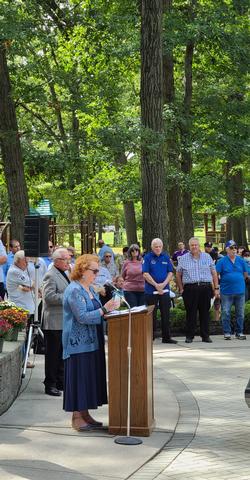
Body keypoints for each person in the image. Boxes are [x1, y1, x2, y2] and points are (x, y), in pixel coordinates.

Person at [62, 254, 119, 431]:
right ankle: (77, 417)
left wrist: (111, 310)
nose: (97, 273)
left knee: (88, 378)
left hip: (93, 341)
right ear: (82, 270)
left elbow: (98, 312)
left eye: (98, 270)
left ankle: (85, 414)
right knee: (80, 378)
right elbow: (82, 317)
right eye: (94, 270)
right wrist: (104, 309)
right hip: (78, 343)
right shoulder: (74, 290)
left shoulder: (90, 289)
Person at [176, 237, 219, 343]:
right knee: (191, 313)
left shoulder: (207, 257)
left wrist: (216, 288)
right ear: (189, 246)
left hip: (205, 288)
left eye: (196, 244)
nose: (194, 247)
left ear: (199, 245)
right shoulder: (183, 258)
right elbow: (178, 274)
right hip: (190, 289)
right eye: (192, 245)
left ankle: (205, 336)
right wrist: (181, 288)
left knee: (205, 312)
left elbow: (214, 272)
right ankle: (189, 336)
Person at [42, 248, 71, 396]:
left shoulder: (64, 273)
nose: (69, 261)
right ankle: (50, 384)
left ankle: (60, 382)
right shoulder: (50, 275)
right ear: (57, 260)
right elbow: (49, 297)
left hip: (63, 321)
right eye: (66, 259)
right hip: (53, 322)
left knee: (61, 354)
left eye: (69, 258)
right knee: (53, 355)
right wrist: (68, 296)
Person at [142, 238, 177, 344]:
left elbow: (170, 272)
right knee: (151, 315)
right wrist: (156, 285)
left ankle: (166, 337)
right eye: (155, 247)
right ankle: (150, 337)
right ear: (152, 247)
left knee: (166, 314)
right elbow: (145, 273)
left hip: (164, 291)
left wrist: (163, 284)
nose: (158, 248)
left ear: (162, 247)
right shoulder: (147, 258)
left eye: (159, 246)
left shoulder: (166, 257)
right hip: (151, 291)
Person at [216, 240, 248, 340]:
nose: (234, 250)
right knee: (226, 312)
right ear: (227, 250)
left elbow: (246, 274)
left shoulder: (241, 260)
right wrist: (216, 287)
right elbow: (216, 275)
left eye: (235, 248)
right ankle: (227, 332)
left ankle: (239, 332)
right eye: (231, 248)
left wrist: (237, 280)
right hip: (226, 291)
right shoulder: (221, 261)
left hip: (240, 291)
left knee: (240, 313)